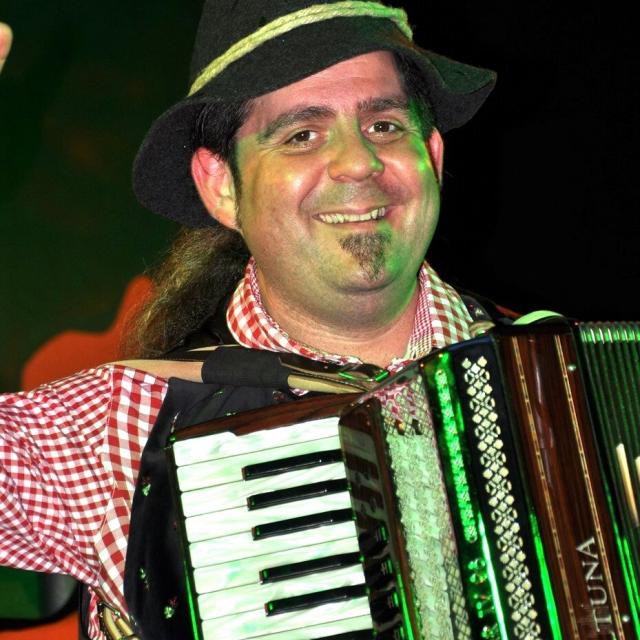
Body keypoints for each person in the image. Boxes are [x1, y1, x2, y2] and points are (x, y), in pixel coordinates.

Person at [0, 1, 501, 638]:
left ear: (431, 153)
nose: (358, 163)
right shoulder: (118, 424)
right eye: (301, 135)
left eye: (383, 125)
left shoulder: (567, 386)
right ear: (222, 187)